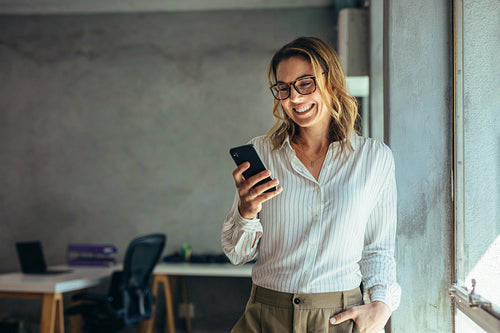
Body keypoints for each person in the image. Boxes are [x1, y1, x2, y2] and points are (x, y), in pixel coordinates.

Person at [221, 36, 400, 333]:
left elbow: (378, 248)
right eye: (284, 88)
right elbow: (236, 253)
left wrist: (381, 306)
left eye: (306, 83)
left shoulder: (374, 158)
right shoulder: (263, 153)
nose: (294, 98)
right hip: (266, 315)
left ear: (331, 81)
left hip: (338, 318)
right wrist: (246, 211)